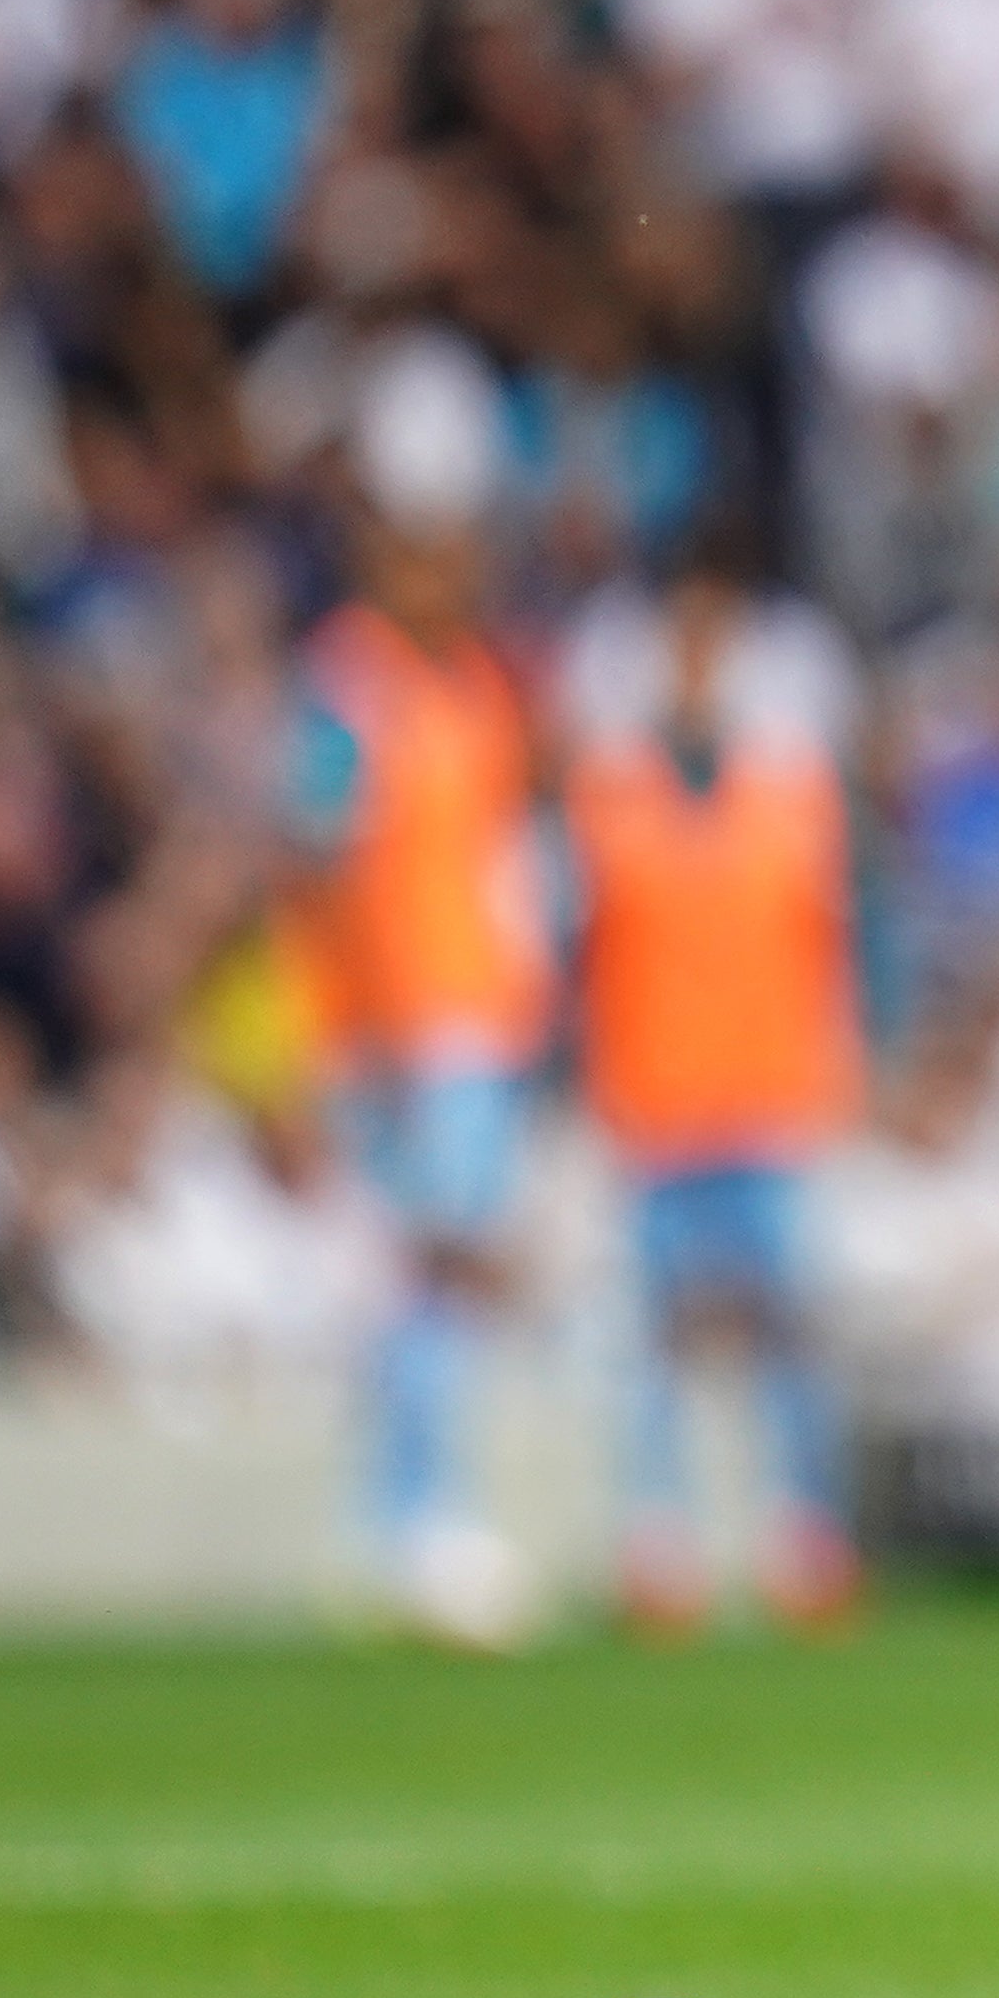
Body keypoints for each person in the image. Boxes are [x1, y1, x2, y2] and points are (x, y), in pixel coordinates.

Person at [561, 556, 868, 1638]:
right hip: (653, 1097)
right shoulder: (610, 790)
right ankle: (661, 1542)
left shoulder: (791, 790)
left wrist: (840, 1073)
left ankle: (803, 1535)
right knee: (650, 1340)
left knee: (790, 1332)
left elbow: (829, 944)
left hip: (769, 1093)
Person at [288, 499, 553, 1649]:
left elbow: (492, 857)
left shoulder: (477, 682)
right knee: (424, 1273)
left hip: (474, 1012)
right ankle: (419, 1518)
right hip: (403, 1028)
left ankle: (398, 1518)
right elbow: (322, 854)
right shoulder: (351, 681)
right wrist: (373, 1025)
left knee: (435, 1277)